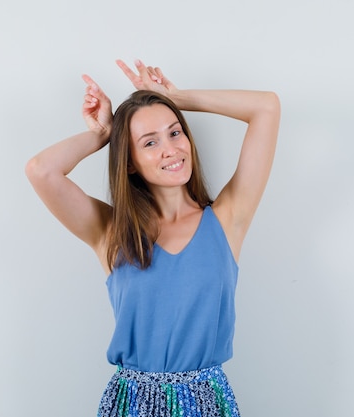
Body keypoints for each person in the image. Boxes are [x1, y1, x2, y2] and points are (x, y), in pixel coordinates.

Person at [25, 59, 280, 417]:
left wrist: (175, 98)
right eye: (149, 142)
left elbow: (266, 107)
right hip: (131, 405)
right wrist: (103, 134)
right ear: (129, 161)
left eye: (175, 132)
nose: (171, 149)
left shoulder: (227, 219)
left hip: (206, 404)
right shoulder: (111, 232)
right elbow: (41, 171)